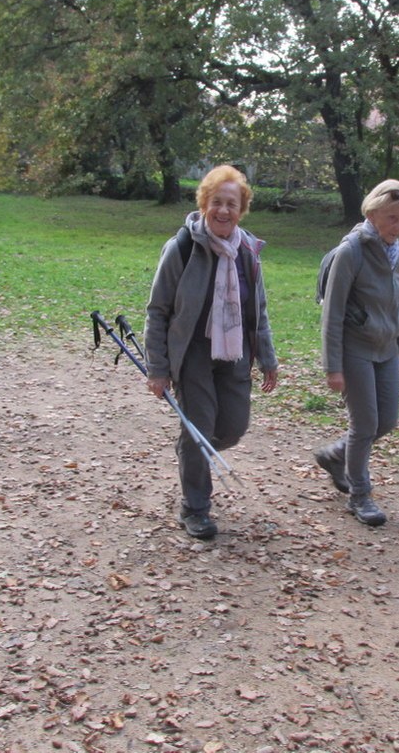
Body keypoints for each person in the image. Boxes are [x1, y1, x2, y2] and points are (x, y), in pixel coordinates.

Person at [145, 165, 279, 540]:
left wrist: (268, 357)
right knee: (199, 427)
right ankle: (195, 507)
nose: (223, 211)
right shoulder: (182, 248)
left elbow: (259, 310)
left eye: (232, 204)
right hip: (193, 354)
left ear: (242, 209)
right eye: (217, 202)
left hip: (235, 351)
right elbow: (158, 310)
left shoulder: (248, 251)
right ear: (204, 203)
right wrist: (157, 368)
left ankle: (192, 451)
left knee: (233, 427)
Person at [314, 179, 399, 526]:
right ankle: (360, 496)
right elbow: (332, 313)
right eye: (392, 218)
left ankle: (335, 455)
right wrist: (333, 367)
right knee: (365, 424)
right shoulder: (351, 252)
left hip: (386, 349)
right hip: (354, 349)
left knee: (386, 420)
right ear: (372, 213)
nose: (398, 227)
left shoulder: (397, 252)